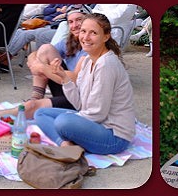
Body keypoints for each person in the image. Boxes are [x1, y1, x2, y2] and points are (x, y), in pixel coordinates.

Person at [0, 8, 89, 125]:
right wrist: (35, 61)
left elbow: (75, 81)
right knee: (46, 49)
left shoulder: (89, 49)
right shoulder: (70, 42)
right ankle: (35, 97)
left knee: (31, 108)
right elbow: (39, 53)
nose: (75, 25)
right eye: (71, 22)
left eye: (79, 20)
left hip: (78, 100)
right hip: (66, 89)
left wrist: (42, 68)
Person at [32, 13, 135, 155]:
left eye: (93, 33)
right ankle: (65, 145)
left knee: (62, 122)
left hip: (114, 136)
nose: (85, 38)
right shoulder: (87, 60)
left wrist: (73, 120)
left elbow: (98, 113)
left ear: (106, 36)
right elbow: (79, 104)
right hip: (95, 122)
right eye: (83, 31)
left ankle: (73, 139)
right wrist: (65, 79)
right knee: (41, 113)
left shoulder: (106, 64)